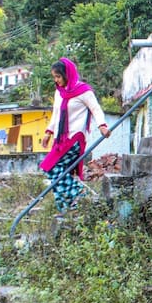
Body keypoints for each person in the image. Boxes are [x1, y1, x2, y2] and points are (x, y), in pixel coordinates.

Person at [40, 57, 111, 213]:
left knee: (50, 167)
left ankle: (82, 194)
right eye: (54, 77)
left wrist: (102, 125)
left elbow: (96, 109)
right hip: (60, 140)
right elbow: (56, 114)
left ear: (67, 74)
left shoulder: (83, 91)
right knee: (56, 174)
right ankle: (64, 209)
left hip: (75, 139)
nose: (56, 80)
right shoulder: (59, 93)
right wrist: (48, 132)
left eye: (58, 76)